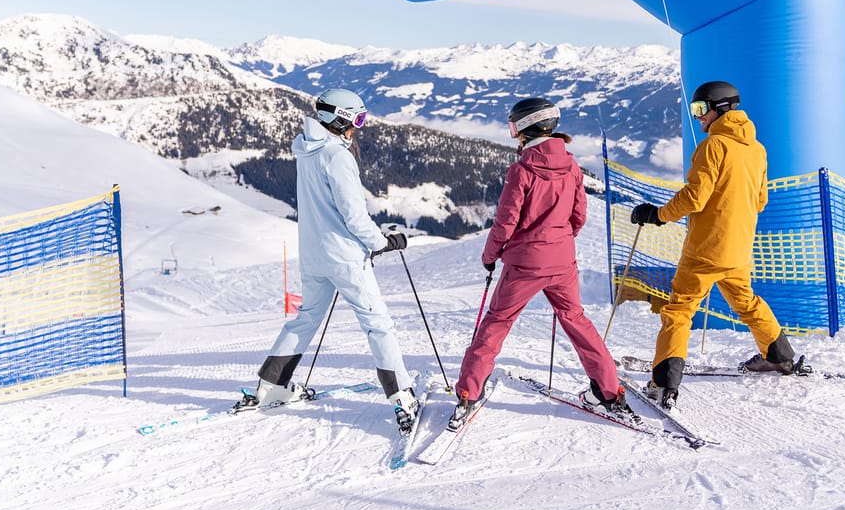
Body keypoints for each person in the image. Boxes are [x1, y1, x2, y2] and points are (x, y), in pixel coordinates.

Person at [239, 87, 418, 431]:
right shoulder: (337, 156)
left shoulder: (307, 150)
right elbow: (353, 215)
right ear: (342, 118)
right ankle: (402, 398)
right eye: (358, 119)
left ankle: (271, 387)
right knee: (377, 323)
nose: (359, 126)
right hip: (345, 257)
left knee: (305, 319)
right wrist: (380, 242)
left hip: (313, 255)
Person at [451, 97, 630, 428]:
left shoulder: (521, 171)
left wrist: (490, 257)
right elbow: (579, 217)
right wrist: (558, 241)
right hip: (562, 261)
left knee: (496, 323)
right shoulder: (572, 166)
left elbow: (505, 223)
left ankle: (468, 393)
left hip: (524, 266)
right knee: (576, 320)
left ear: (523, 127)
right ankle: (608, 391)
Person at [630, 81, 797, 408]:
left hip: (705, 250)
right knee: (747, 303)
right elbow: (760, 200)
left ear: (720, 108)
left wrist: (659, 215)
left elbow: (695, 197)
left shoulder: (713, 146)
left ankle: (664, 383)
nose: (698, 118)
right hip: (738, 250)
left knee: (679, 311)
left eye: (701, 109)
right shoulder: (757, 149)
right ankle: (780, 356)